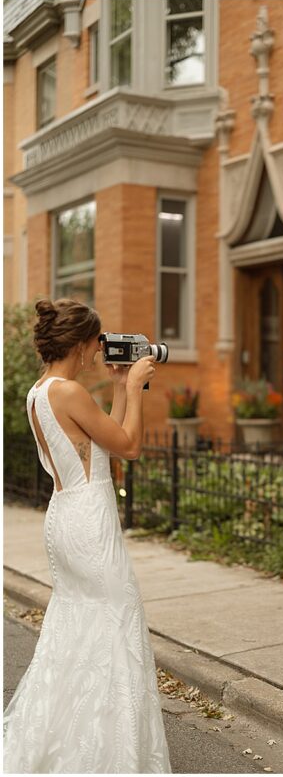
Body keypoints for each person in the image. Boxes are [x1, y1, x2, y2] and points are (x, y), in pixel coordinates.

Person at [4, 298, 170, 772]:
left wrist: (119, 388)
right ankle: (106, 754)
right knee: (115, 624)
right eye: (96, 343)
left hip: (66, 515)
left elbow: (106, 440)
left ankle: (68, 738)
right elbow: (132, 447)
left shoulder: (42, 391)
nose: (101, 351)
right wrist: (137, 387)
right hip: (88, 524)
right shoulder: (69, 392)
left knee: (80, 626)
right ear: (80, 344)